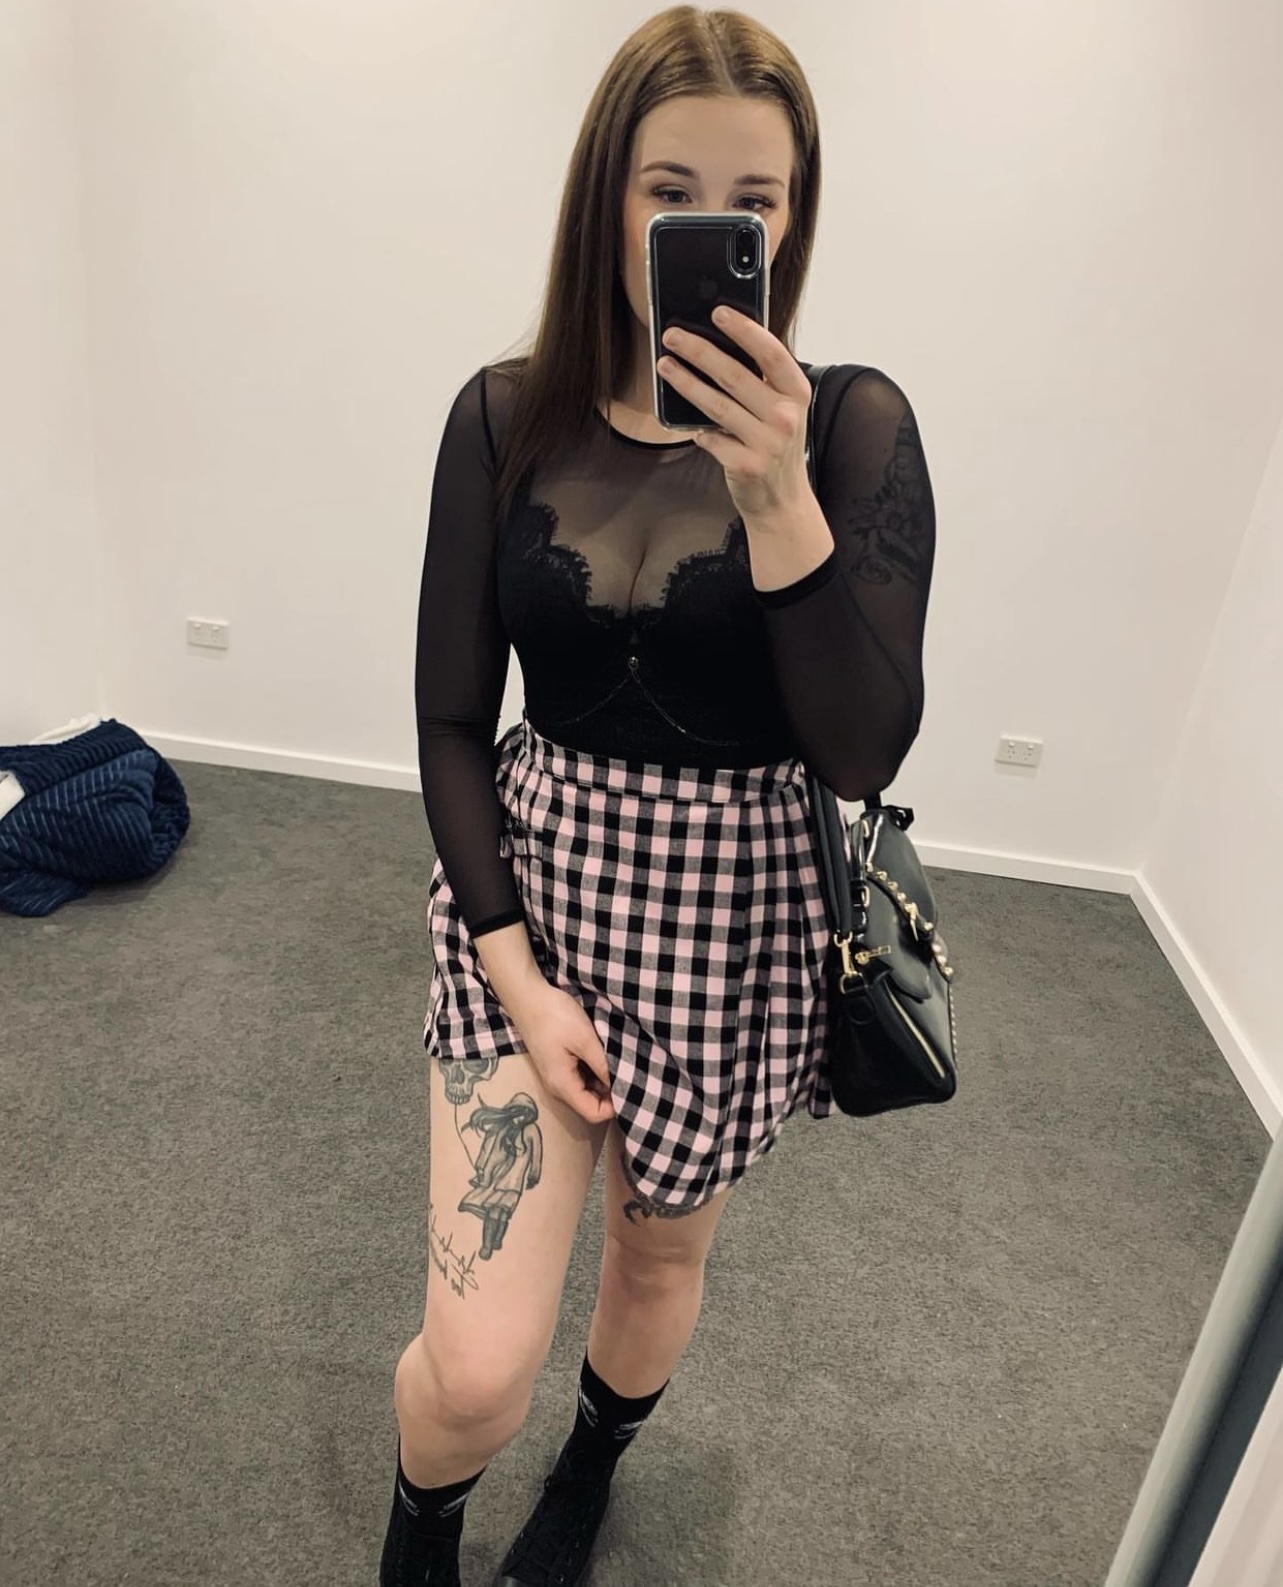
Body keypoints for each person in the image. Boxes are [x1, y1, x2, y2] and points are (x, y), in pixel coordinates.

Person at [382, 6, 936, 1584]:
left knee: (653, 1252)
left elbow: (864, 754)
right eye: (671, 189)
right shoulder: (504, 415)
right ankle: (423, 1533)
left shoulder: (855, 427)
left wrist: (777, 496)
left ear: (791, 222)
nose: (712, 227)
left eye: (753, 202)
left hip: (734, 919)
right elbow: (448, 717)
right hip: (530, 897)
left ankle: (590, 1472)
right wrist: (514, 970)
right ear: (607, 199)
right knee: (472, 1365)